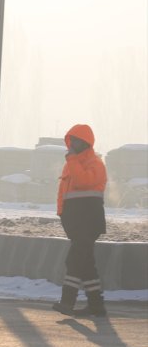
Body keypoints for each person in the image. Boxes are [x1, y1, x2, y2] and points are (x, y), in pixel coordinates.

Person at [52, 123, 107, 317]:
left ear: (85, 143)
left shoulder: (95, 164)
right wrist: (62, 214)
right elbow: (64, 193)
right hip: (76, 221)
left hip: (88, 221)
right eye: (70, 141)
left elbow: (83, 181)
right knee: (85, 263)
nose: (71, 145)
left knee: (74, 260)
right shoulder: (71, 164)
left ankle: (67, 302)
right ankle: (96, 305)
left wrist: (73, 160)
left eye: (75, 141)